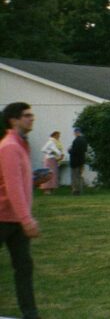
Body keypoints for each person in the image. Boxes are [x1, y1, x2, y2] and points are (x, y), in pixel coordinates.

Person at [1, 102, 42, 319]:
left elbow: (20, 182)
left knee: (24, 267)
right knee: (23, 267)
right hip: (4, 218)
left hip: (15, 219)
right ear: (13, 120)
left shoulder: (21, 145)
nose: (31, 118)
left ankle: (31, 313)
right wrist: (27, 220)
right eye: (26, 115)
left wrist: (35, 181)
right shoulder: (10, 147)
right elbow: (12, 187)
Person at [39, 131, 63, 195]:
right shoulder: (50, 142)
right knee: (48, 173)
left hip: (53, 159)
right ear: (54, 135)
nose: (59, 137)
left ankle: (51, 189)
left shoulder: (54, 142)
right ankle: (46, 189)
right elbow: (43, 149)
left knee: (53, 174)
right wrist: (50, 152)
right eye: (58, 136)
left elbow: (56, 150)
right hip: (49, 159)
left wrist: (60, 154)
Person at [69, 127, 88, 196]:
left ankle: (75, 190)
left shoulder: (76, 141)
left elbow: (74, 151)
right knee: (80, 176)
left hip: (75, 161)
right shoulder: (84, 140)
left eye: (74, 132)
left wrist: (69, 150)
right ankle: (80, 190)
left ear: (76, 133)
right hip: (82, 160)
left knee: (74, 176)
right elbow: (85, 150)